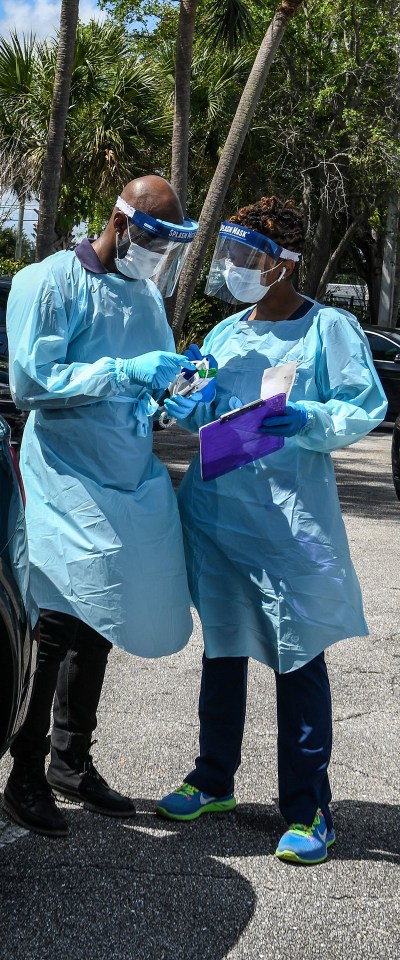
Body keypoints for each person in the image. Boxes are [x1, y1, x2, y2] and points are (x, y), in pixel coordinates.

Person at [154, 197, 385, 865]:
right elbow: (201, 420)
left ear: (284, 265)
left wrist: (311, 417)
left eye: (249, 256)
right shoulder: (226, 335)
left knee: (298, 653)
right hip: (219, 513)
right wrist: (186, 404)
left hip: (289, 521)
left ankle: (310, 808)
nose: (234, 267)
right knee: (222, 647)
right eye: (231, 253)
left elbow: (363, 404)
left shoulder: (328, 329)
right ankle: (212, 778)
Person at [2, 175, 199, 837]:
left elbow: (149, 387)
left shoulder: (145, 294)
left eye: (169, 245)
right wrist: (122, 374)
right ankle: (23, 772)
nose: (157, 255)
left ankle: (71, 763)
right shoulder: (49, 281)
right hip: (65, 478)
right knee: (55, 627)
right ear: (119, 221)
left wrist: (173, 394)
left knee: (99, 623)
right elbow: (31, 383)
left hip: (124, 476)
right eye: (152, 238)